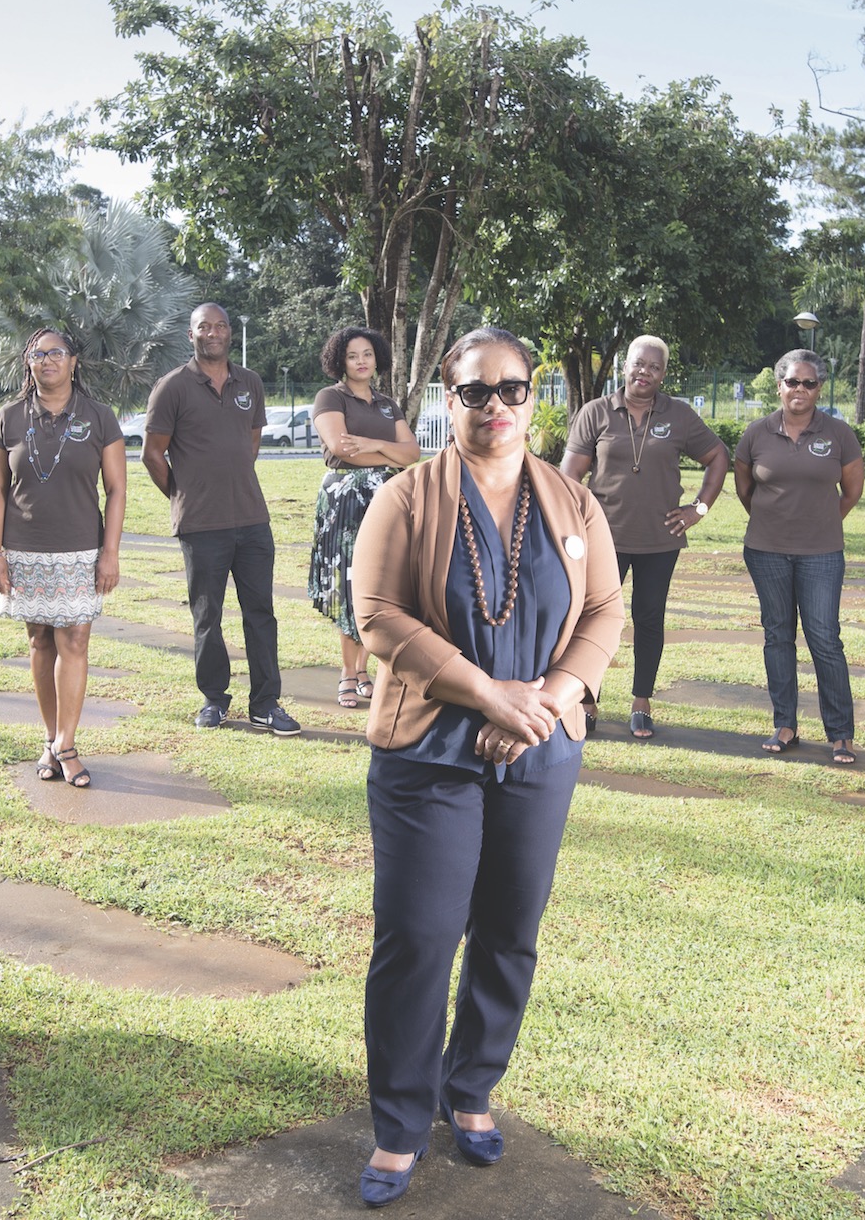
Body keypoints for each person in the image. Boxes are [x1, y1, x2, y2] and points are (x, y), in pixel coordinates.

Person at [350, 327, 624, 1207]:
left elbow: (606, 610)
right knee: (421, 937)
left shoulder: (575, 504)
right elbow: (378, 614)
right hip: (430, 750)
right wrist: (485, 694)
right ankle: (399, 1121)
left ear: (534, 398)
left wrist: (544, 699)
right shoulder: (406, 497)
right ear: (449, 396)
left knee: (509, 931)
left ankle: (470, 1089)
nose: (496, 407)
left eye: (512, 391)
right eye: (477, 393)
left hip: (540, 746)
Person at [142, 303, 299, 735]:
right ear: (190, 335)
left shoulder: (249, 382)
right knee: (207, 616)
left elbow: (250, 442)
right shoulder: (172, 387)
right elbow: (152, 453)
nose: (213, 332)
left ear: (230, 332)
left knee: (261, 613)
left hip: (252, 520)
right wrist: (183, 493)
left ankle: (266, 703)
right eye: (204, 327)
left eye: (221, 326)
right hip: (200, 524)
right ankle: (215, 700)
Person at [561, 335, 727, 738]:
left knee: (649, 618)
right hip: (603, 540)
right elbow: (568, 478)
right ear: (625, 366)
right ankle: (587, 700)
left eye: (654, 367)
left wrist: (698, 509)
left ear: (664, 373)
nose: (644, 372)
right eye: (638, 364)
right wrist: (575, 525)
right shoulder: (596, 412)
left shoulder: (680, 415)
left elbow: (718, 456)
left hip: (660, 539)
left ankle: (641, 701)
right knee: (592, 620)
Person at [0, 328, 126, 787]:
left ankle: (66, 743)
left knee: (76, 641)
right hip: (25, 550)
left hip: (81, 548)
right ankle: (51, 738)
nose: (48, 361)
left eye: (56, 353)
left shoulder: (99, 417)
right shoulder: (8, 418)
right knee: (40, 642)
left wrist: (110, 554)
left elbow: (117, 490)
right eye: (38, 354)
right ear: (28, 363)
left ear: (73, 362)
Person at [732, 350, 865, 764]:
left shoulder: (839, 434)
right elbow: (744, 489)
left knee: (824, 637)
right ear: (779, 385)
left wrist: (822, 521)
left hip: (822, 554)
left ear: (820, 388)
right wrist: (775, 523)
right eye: (793, 382)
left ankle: (840, 733)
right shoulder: (756, 433)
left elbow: (853, 491)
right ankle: (785, 724)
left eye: (809, 383)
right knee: (778, 635)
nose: (800, 390)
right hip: (766, 551)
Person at [308, 327, 420, 708]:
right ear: (340, 360)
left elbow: (412, 454)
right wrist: (390, 454)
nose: (361, 361)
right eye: (353, 355)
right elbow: (342, 450)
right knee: (347, 584)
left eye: (367, 354)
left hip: (385, 499)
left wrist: (373, 444)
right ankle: (348, 672)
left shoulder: (387, 404)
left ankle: (365, 670)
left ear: (377, 359)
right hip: (346, 501)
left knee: (378, 583)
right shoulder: (330, 398)